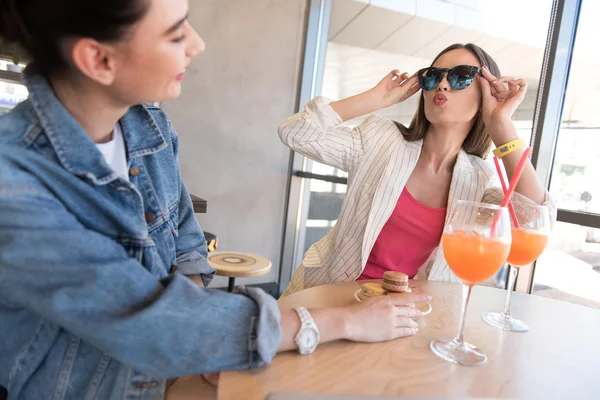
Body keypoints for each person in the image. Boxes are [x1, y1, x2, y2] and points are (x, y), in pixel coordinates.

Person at [0, 0, 430, 398]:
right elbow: (151, 324)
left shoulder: (149, 127)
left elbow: (187, 245)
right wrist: (344, 322)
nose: (197, 44)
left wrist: (206, 339)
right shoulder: (15, 186)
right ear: (99, 59)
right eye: (175, 33)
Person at [279, 43, 555, 296]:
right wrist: (376, 99)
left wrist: (502, 128)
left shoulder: (479, 179)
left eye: (461, 76)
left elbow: (531, 222)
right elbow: (296, 133)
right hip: (330, 294)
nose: (443, 85)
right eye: (433, 76)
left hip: (408, 315)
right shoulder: (381, 139)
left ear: (485, 94)